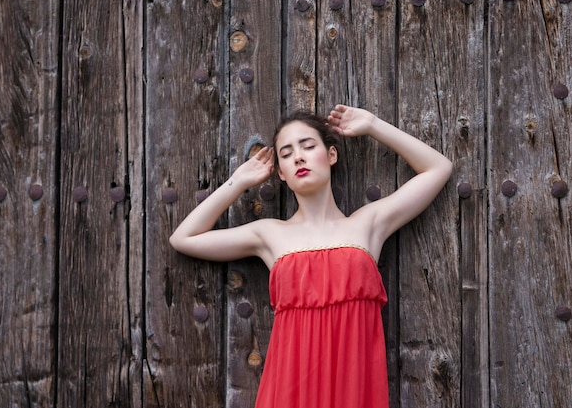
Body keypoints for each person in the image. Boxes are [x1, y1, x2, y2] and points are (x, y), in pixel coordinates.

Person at [169, 104, 453, 408]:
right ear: (280, 172)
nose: (299, 157)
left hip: (354, 389)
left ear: (331, 155)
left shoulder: (368, 224)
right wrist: (237, 183)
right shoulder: (270, 235)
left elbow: (438, 168)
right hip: (289, 389)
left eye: (308, 146)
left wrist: (373, 124)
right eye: (287, 154)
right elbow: (184, 238)